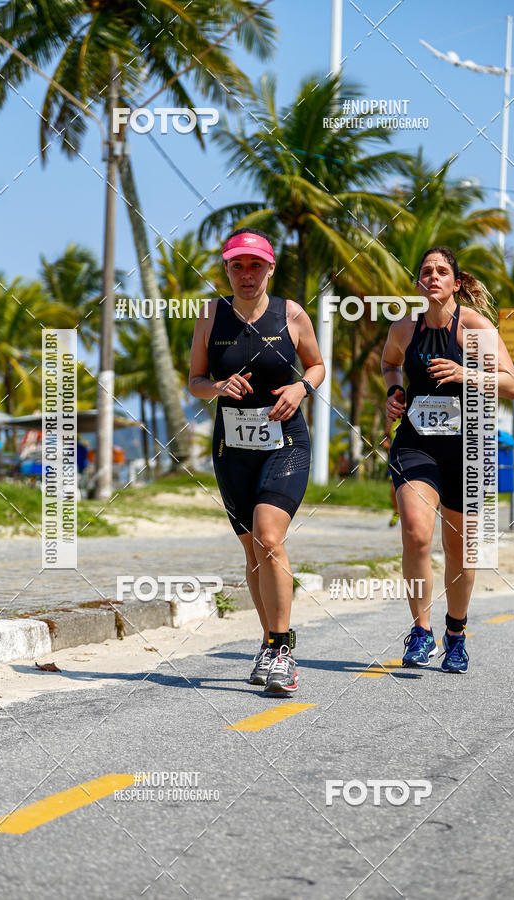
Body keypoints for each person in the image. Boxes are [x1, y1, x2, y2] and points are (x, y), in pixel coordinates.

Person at [189, 228, 325, 693]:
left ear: (270, 268)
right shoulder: (210, 316)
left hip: (285, 440)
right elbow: (195, 380)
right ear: (227, 270)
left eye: (255, 265)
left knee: (270, 537)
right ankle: (268, 640)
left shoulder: (291, 313)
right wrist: (217, 388)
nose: (246, 274)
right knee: (252, 550)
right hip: (233, 448)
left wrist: (300, 388)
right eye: (237, 266)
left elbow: (317, 365)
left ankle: (283, 649)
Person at [381, 246, 514, 673]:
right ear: (418, 282)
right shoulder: (405, 329)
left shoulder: (475, 327)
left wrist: (466, 374)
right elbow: (390, 364)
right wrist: (394, 391)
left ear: (456, 283)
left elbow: (511, 384)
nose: (434, 277)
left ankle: (455, 634)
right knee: (417, 533)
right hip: (416, 444)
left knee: (462, 548)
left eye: (442, 271)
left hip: (469, 447)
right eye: (426, 271)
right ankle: (420, 632)